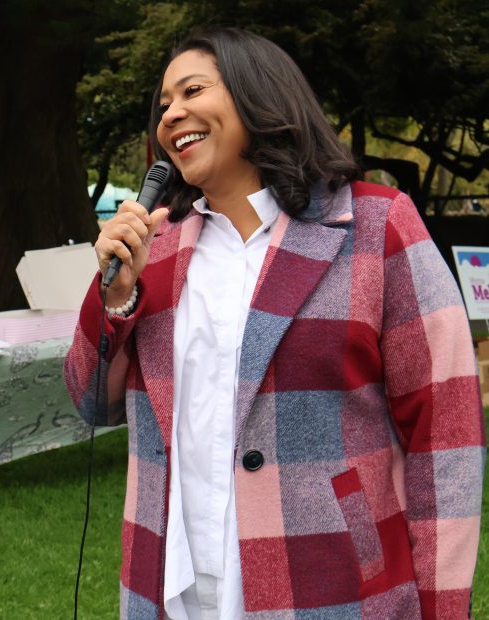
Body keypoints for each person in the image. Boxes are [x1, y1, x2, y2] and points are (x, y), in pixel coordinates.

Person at [64, 28, 484, 620]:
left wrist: (443, 608)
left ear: (257, 95)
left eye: (191, 90)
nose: (171, 114)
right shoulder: (154, 253)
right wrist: (113, 298)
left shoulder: (375, 226)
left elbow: (446, 432)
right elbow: (88, 403)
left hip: (332, 584)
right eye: (163, 106)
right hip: (177, 588)